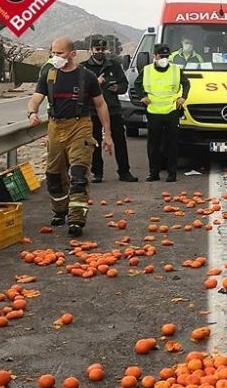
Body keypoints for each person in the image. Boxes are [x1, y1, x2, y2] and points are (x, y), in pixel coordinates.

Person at [26, 37, 114, 238]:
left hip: (80, 126)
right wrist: (32, 113)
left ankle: (76, 218)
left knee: (79, 174)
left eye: (59, 53)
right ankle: (59, 210)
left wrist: (107, 134)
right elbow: (35, 99)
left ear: (72, 53)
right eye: (53, 53)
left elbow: (101, 105)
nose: (55, 57)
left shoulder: (87, 77)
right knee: (54, 176)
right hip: (56, 128)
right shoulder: (48, 76)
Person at [81, 39, 137, 183]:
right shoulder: (84, 68)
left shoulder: (114, 66)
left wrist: (117, 88)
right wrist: (94, 81)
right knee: (95, 142)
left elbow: (124, 85)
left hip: (113, 110)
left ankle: (124, 172)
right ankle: (97, 173)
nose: (100, 52)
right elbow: (79, 90)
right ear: (91, 50)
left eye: (102, 49)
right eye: (97, 49)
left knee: (119, 141)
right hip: (92, 111)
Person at [135, 44, 190, 182]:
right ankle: (154, 173)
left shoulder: (176, 70)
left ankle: (172, 173)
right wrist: (142, 96)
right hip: (153, 112)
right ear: (155, 56)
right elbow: (137, 84)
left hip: (171, 111)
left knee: (172, 144)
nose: (164, 58)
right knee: (154, 145)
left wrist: (183, 97)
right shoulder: (146, 70)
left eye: (166, 56)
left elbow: (186, 83)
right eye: (161, 56)